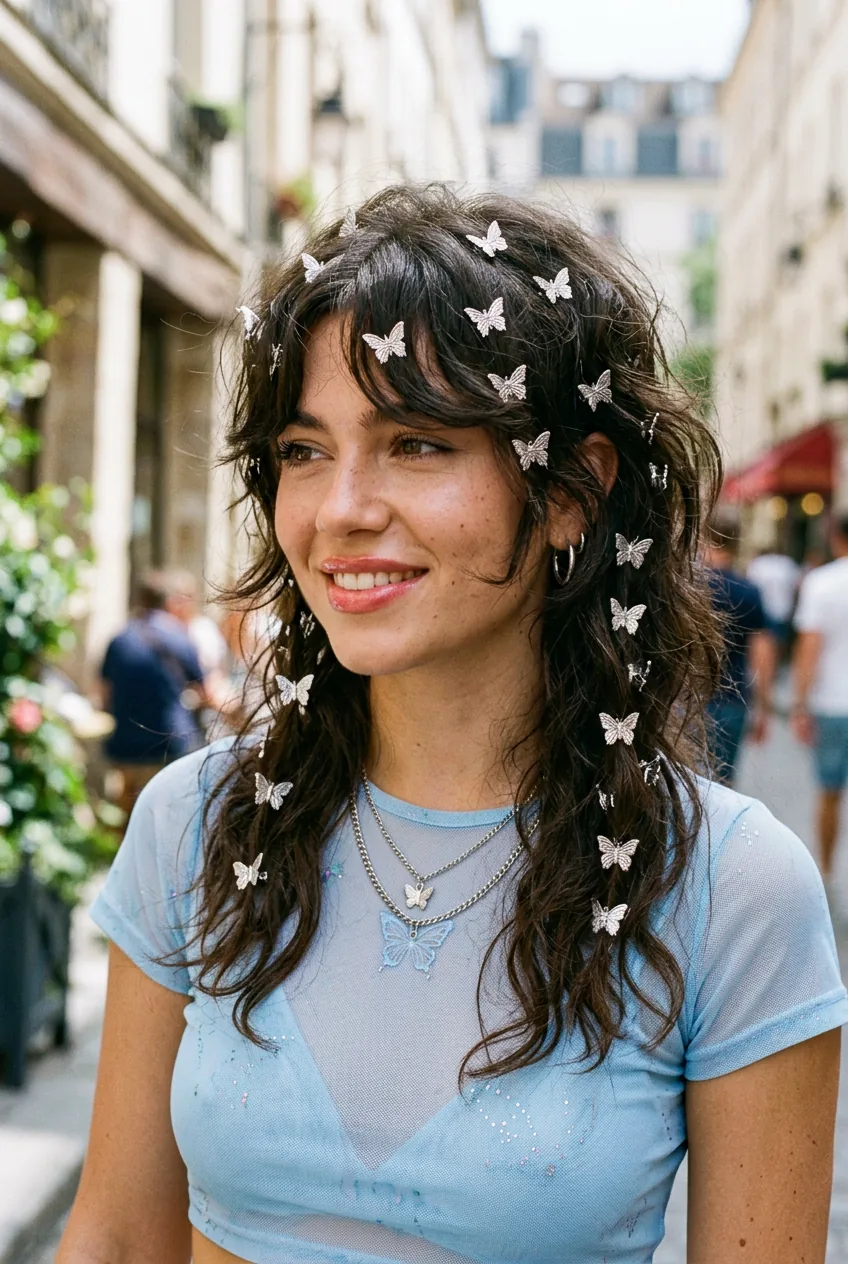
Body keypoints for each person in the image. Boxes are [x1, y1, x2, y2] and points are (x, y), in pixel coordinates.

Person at [60, 188, 846, 1264]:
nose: (341, 509)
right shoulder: (197, 823)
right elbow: (112, 1238)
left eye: (417, 444)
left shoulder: (725, 883)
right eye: (303, 450)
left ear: (570, 491)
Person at [97, 568, 209, 818]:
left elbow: (104, 693)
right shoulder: (178, 636)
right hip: (168, 744)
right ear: (168, 602)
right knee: (169, 816)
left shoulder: (120, 639)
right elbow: (204, 688)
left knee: (127, 815)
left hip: (126, 745)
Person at [792, 514, 848, 885]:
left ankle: (826, 871)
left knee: (829, 792)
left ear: (836, 537)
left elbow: (810, 647)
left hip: (832, 704)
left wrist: (800, 703)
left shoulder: (821, 583)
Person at [702, 521, 776, 785]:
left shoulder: (689, 588)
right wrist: (763, 708)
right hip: (732, 698)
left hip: (687, 699)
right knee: (722, 783)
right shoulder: (748, 591)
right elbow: (762, 655)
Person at [746, 545, 801, 658]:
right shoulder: (787, 563)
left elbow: (749, 585)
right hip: (783, 609)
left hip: (765, 608)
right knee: (779, 640)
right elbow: (797, 586)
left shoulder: (758, 563)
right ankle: (776, 660)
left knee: (764, 640)